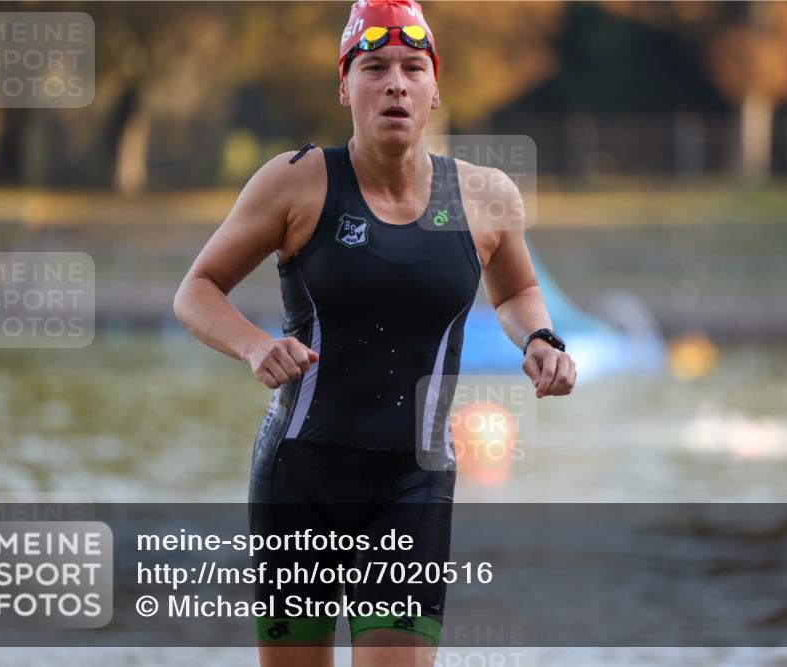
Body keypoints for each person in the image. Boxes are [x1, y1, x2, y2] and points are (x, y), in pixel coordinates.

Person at [173, 1, 576, 665]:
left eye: (413, 67)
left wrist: (540, 340)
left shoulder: (482, 197)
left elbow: (518, 290)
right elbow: (197, 289)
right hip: (302, 475)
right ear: (344, 85)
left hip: (414, 480)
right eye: (375, 66)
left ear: (434, 87)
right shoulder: (297, 182)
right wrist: (254, 344)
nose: (395, 83)